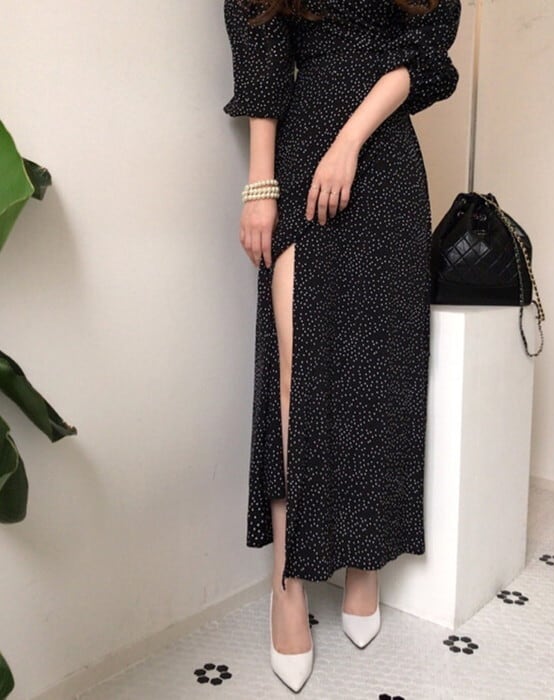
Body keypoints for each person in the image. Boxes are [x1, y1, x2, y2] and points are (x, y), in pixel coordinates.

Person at [223, 0, 461, 692]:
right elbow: (262, 63)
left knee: (381, 368)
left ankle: (364, 561)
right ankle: (288, 585)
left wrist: (351, 140)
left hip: (383, 160)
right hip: (302, 155)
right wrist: (260, 187)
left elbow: (424, 56)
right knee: (296, 374)